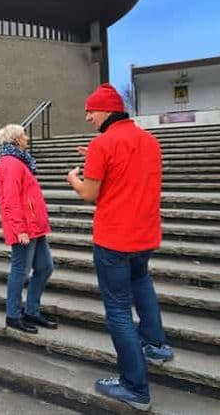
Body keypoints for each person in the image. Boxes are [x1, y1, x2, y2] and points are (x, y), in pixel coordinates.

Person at [66, 83, 173, 412]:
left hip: (113, 240)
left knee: (117, 310)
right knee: (143, 283)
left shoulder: (103, 144)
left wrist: (74, 177)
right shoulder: (149, 141)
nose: (87, 117)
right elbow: (128, 171)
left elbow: (90, 194)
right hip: (145, 236)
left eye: (90, 111)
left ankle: (134, 386)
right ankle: (156, 345)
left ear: (106, 111)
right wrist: (98, 158)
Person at [0, 124, 57, 334]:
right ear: (15, 140)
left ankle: (32, 310)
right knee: (20, 272)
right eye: (24, 135)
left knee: (45, 267)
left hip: (34, 227)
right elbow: (11, 199)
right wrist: (19, 229)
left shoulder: (19, 161)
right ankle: (13, 314)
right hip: (25, 229)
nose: (27, 138)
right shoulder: (11, 163)